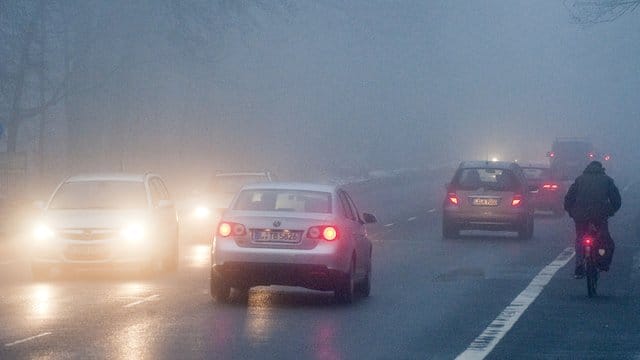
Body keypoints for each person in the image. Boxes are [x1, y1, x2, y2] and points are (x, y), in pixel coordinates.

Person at [564, 161, 621, 278]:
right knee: (605, 239)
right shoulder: (607, 180)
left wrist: (571, 212)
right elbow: (616, 201)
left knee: (580, 238)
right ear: (601, 169)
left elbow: (568, 199)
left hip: (580, 216)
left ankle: (579, 266)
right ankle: (603, 262)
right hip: (600, 215)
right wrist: (610, 211)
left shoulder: (579, 180)